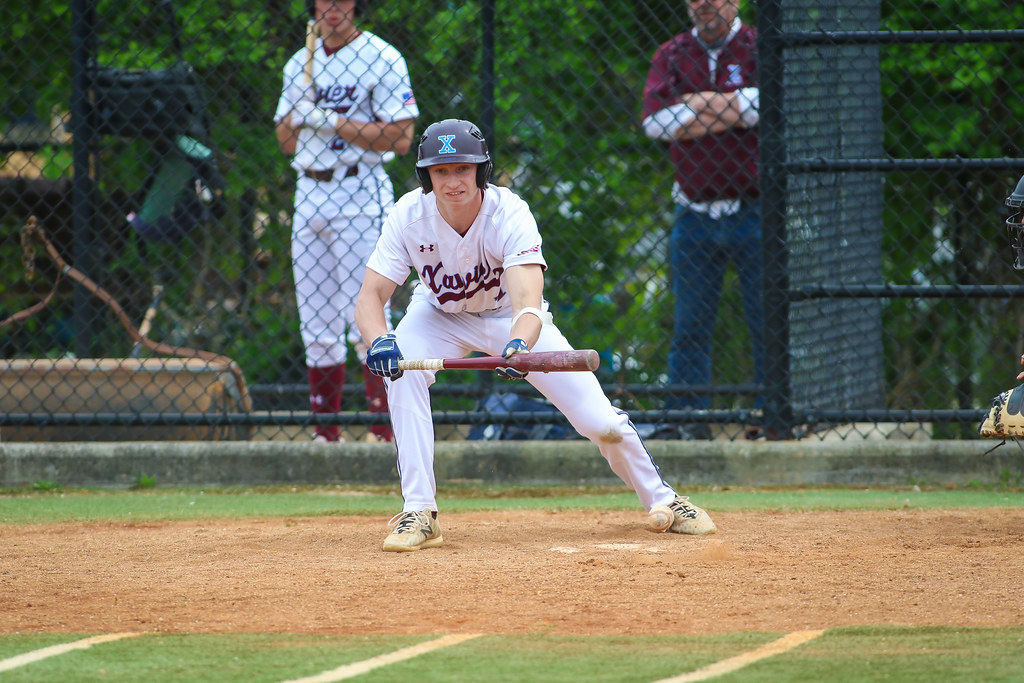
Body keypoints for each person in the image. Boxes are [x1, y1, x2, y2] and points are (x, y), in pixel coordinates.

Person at [354, 118, 717, 552]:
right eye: (441, 171)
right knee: (403, 373)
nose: (453, 181)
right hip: (439, 314)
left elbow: (528, 302)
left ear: (481, 172)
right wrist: (380, 340)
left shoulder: (509, 212)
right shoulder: (408, 215)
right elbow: (369, 297)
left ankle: (666, 501)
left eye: (463, 169)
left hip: (511, 319)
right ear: (426, 177)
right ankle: (420, 511)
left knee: (600, 423)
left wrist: (518, 345)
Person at [274, 0, 418, 442]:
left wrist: (332, 121)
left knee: (369, 315)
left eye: (342, 0)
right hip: (309, 191)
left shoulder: (382, 55)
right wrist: (296, 113)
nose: (332, 8)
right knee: (315, 323)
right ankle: (326, 437)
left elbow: (401, 137)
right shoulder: (302, 61)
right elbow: (284, 142)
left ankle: (384, 433)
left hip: (360, 188)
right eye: (324, 1)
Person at [641, 0, 763, 440]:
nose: (704, 4)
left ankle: (770, 418)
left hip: (755, 210)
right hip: (693, 212)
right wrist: (732, 110)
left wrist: (694, 106)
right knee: (689, 324)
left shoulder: (759, 46)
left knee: (767, 319)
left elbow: (768, 106)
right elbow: (655, 123)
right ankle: (688, 422)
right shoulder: (671, 54)